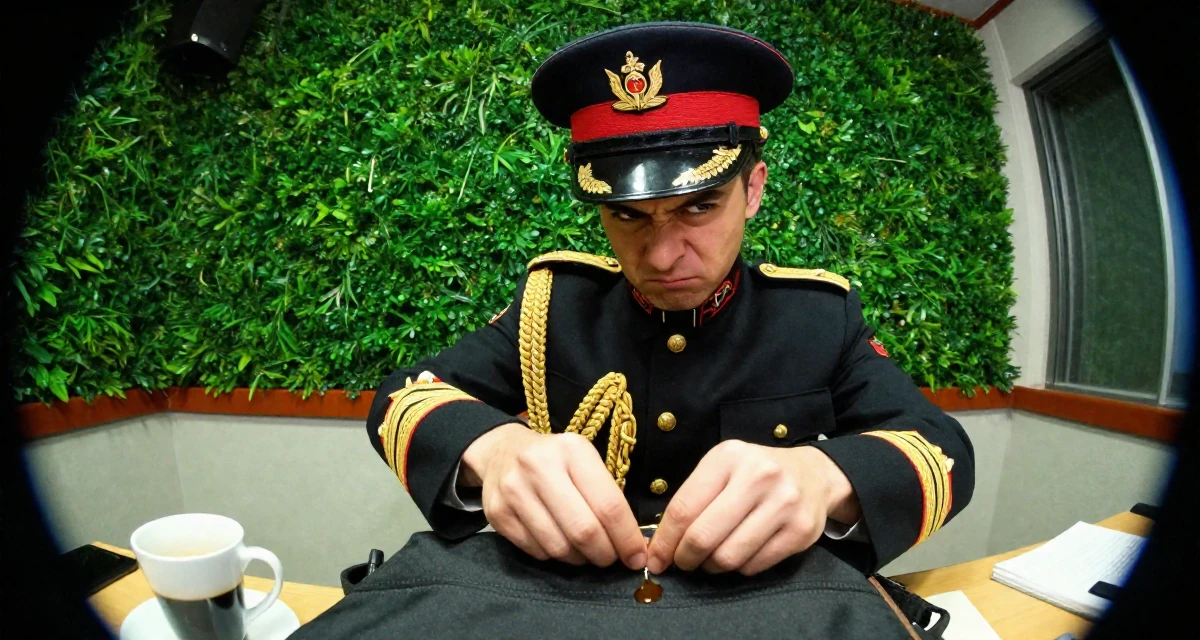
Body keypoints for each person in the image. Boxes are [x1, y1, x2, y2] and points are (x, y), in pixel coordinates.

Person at [367, 22, 973, 578]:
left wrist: (825, 476)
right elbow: (403, 398)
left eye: (699, 206)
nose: (661, 257)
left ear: (753, 190)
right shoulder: (551, 306)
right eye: (627, 215)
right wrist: (497, 451)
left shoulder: (817, 317)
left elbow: (942, 452)